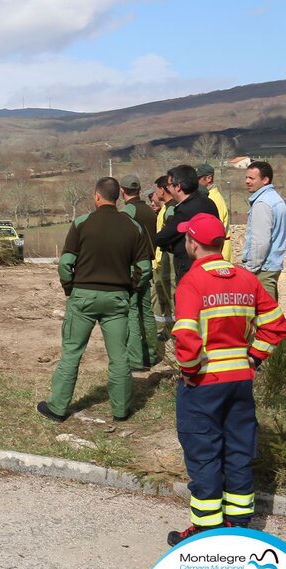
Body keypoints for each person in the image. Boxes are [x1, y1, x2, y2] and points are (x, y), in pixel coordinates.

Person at [166, 212, 286, 546]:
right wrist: (254, 357)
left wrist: (189, 372)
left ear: (192, 243)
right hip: (240, 380)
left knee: (204, 452)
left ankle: (206, 530)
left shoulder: (192, 282)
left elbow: (187, 336)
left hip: (204, 383)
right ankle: (238, 524)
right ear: (221, 243)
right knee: (238, 450)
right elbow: (276, 324)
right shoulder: (247, 279)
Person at [38, 178, 151, 423]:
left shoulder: (82, 223)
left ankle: (57, 408)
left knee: (72, 352)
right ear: (118, 197)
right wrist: (129, 289)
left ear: (96, 196)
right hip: (117, 300)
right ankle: (120, 411)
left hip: (83, 297)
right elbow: (144, 269)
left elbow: (65, 264)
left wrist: (71, 289)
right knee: (119, 356)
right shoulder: (133, 227)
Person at [120, 174, 160, 370]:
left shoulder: (127, 211)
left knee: (132, 311)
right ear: (138, 189)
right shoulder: (149, 210)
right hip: (148, 264)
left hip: (133, 266)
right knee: (147, 311)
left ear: (122, 191)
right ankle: (152, 354)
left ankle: (135, 358)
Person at [154, 165, 220, 282]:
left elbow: (163, 237)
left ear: (178, 187)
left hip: (190, 269)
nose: (168, 190)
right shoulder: (209, 202)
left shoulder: (186, 209)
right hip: (213, 265)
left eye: (169, 185)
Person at [241, 161, 286, 300]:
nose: (247, 181)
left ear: (265, 180)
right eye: (247, 177)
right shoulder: (275, 199)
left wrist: (250, 268)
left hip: (263, 270)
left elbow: (260, 242)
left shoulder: (262, 204)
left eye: (252, 178)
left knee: (265, 316)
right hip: (272, 266)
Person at [152, 175, 178, 340]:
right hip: (163, 262)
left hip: (169, 262)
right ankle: (169, 330)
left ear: (163, 189)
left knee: (173, 298)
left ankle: (178, 333)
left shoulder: (171, 210)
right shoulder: (165, 209)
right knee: (166, 298)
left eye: (157, 189)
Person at [196, 163, 231, 261]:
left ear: (209, 178)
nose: (196, 182)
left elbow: (215, 232)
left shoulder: (214, 200)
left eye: (198, 179)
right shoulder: (209, 197)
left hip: (219, 254)